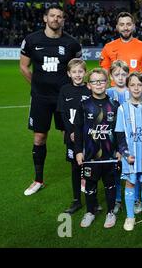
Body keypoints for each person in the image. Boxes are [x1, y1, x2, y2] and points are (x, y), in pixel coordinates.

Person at [20, 5, 82, 196]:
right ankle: (38, 179)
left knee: (72, 136)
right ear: (45, 18)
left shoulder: (72, 43)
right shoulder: (31, 40)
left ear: (63, 20)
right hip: (40, 99)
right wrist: (36, 86)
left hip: (65, 99)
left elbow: (78, 69)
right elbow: (24, 67)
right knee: (39, 137)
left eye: (60, 16)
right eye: (52, 16)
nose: (56, 19)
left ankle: (80, 177)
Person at [74, 68, 120, 228]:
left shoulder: (115, 105)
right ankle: (90, 212)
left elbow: (120, 131)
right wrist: (79, 151)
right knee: (90, 185)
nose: (99, 84)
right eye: (94, 81)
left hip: (110, 155)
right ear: (89, 85)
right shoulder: (84, 105)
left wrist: (120, 149)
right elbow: (78, 130)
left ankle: (110, 213)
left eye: (102, 81)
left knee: (110, 184)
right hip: (90, 156)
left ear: (107, 82)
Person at [115, 72, 142, 231]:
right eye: (132, 85)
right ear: (128, 87)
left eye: (139, 85)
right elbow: (119, 134)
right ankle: (130, 216)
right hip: (130, 155)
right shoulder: (122, 109)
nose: (136, 88)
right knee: (130, 183)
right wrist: (125, 154)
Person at [57, 58, 91, 214]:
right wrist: (70, 131)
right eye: (74, 72)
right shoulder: (64, 90)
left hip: (89, 135)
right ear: (69, 73)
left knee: (91, 166)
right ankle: (77, 200)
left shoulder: (89, 89)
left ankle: (92, 199)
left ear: (85, 72)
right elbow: (63, 113)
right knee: (75, 167)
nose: (78, 75)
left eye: (80, 71)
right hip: (72, 136)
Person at [106, 60, 131, 215]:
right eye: (117, 74)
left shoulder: (133, 90)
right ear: (111, 76)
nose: (120, 78)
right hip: (112, 137)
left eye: (123, 74)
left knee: (131, 167)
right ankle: (117, 199)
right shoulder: (108, 92)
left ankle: (135, 198)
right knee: (115, 168)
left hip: (130, 136)